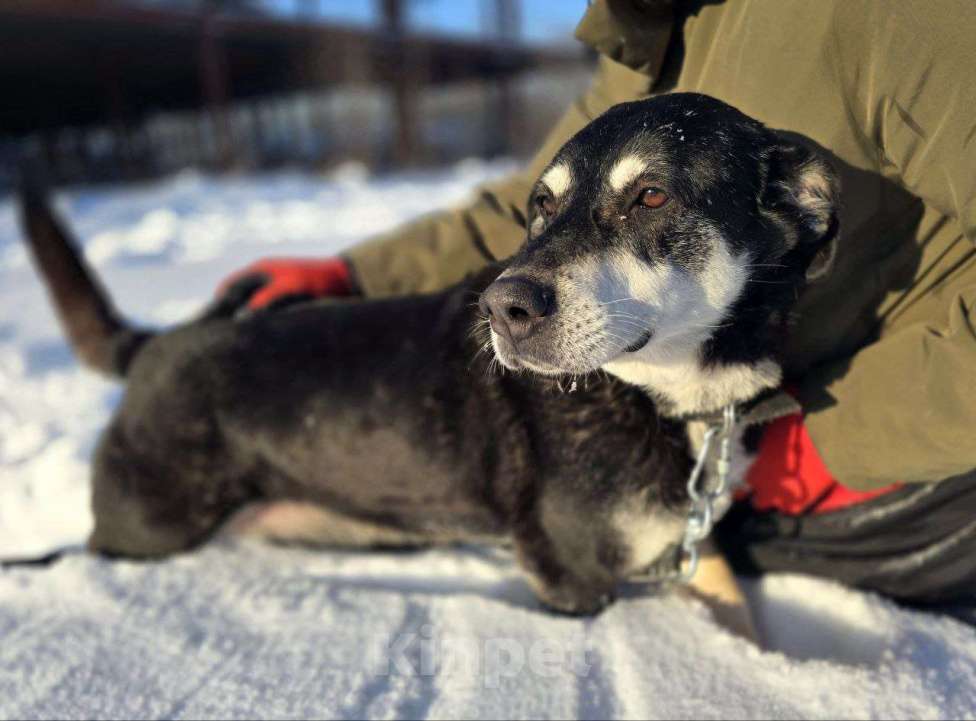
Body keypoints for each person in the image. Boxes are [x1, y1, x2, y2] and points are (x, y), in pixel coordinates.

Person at [220, 0, 976, 610]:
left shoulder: (893, 15)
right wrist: (354, 272)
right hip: (743, 418)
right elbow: (536, 208)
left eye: (648, 196)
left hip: (909, 468)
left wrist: (841, 437)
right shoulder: (654, 27)